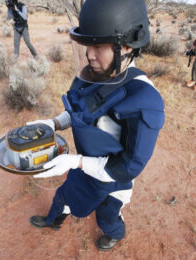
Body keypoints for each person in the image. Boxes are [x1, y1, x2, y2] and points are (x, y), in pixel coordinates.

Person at [27, 0, 165, 251]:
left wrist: (76, 161)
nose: (90, 54)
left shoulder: (144, 100)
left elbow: (127, 168)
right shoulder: (96, 73)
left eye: (98, 46)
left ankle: (115, 233)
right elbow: (79, 111)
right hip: (85, 164)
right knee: (64, 195)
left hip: (113, 179)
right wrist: (54, 123)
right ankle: (54, 220)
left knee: (107, 215)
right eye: (87, 45)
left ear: (125, 46)